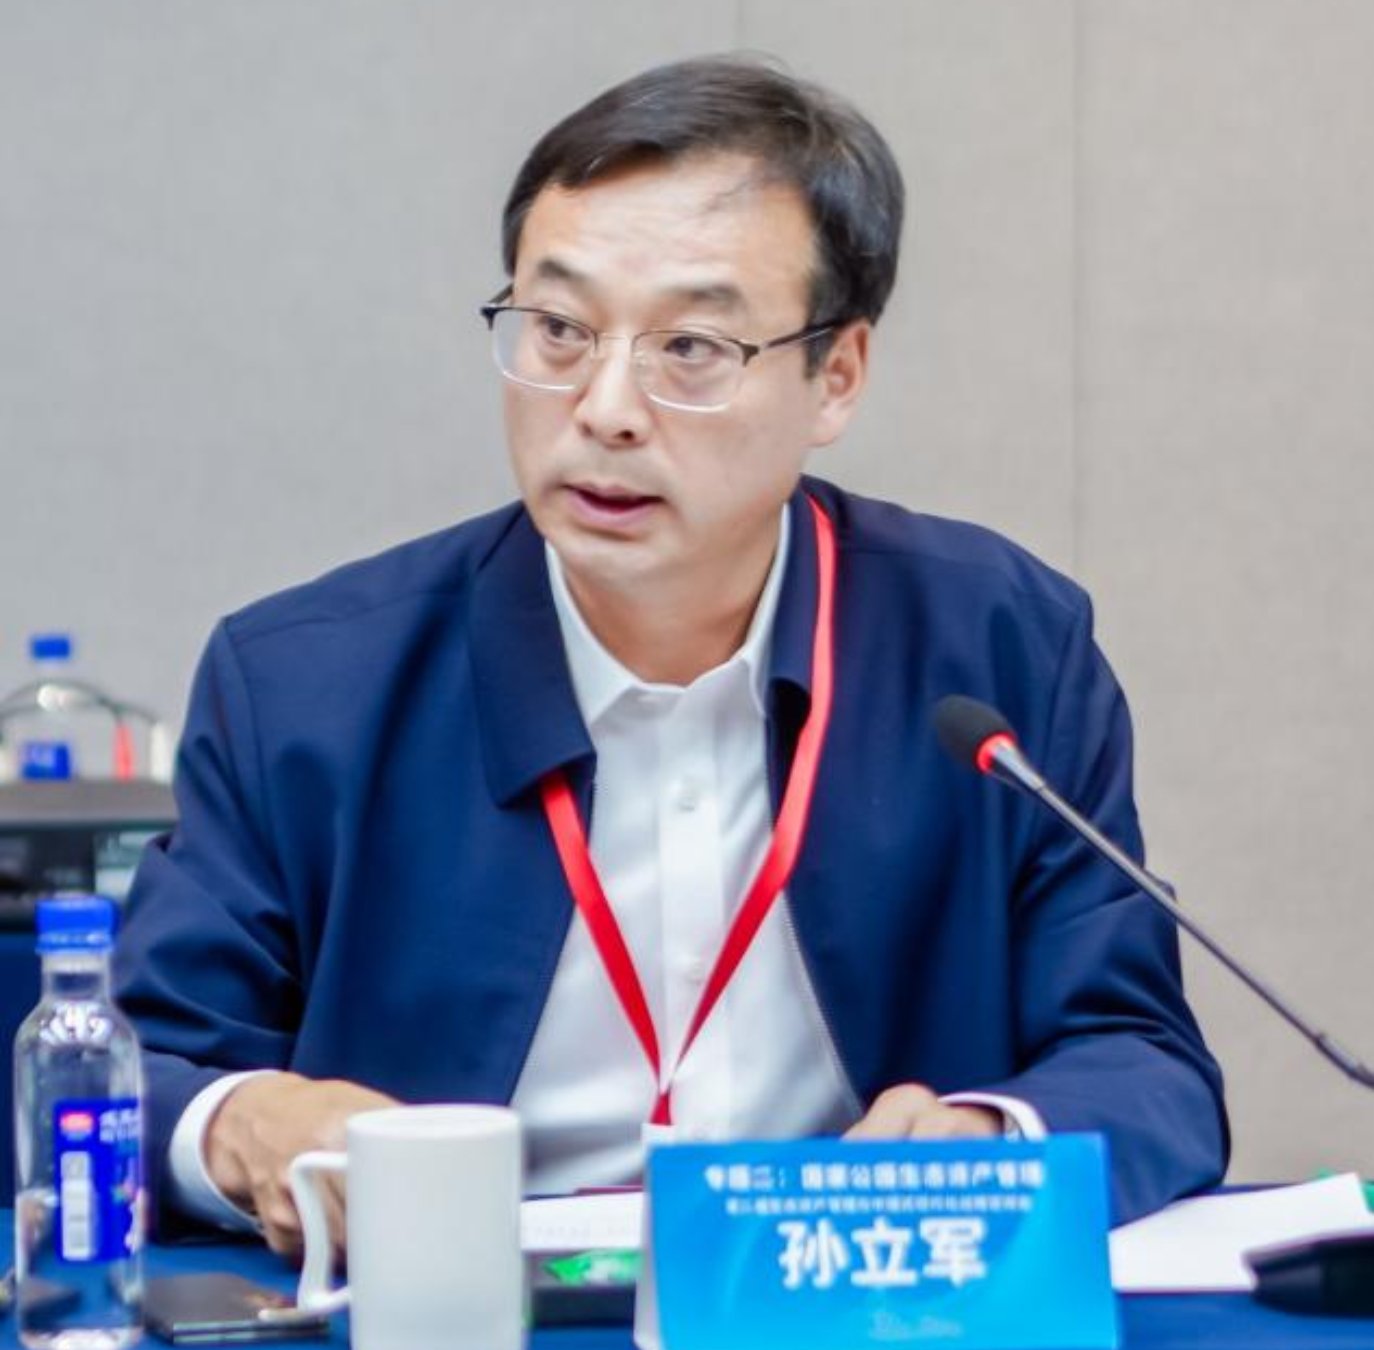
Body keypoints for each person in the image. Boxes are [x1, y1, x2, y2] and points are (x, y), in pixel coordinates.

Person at [114, 54, 1227, 1255]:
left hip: (844, 1301)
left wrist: (987, 1138)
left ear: (835, 376)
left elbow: (1141, 1059)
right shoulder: (305, 688)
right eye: (558, 330)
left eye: (690, 346)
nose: (604, 408)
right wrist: (247, 1124)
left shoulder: (995, 647)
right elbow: (131, 1069)